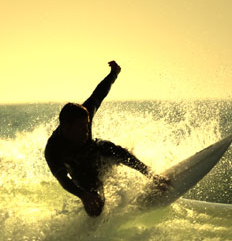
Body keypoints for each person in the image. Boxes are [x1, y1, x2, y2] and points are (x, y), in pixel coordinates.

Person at [44, 61, 167, 216]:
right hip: (80, 170)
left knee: (110, 148)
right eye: (81, 128)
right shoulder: (53, 149)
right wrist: (83, 195)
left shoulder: (85, 113)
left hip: (96, 151)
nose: (86, 131)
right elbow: (63, 179)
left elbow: (99, 93)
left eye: (87, 126)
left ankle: (152, 175)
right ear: (66, 127)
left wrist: (114, 73)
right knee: (96, 208)